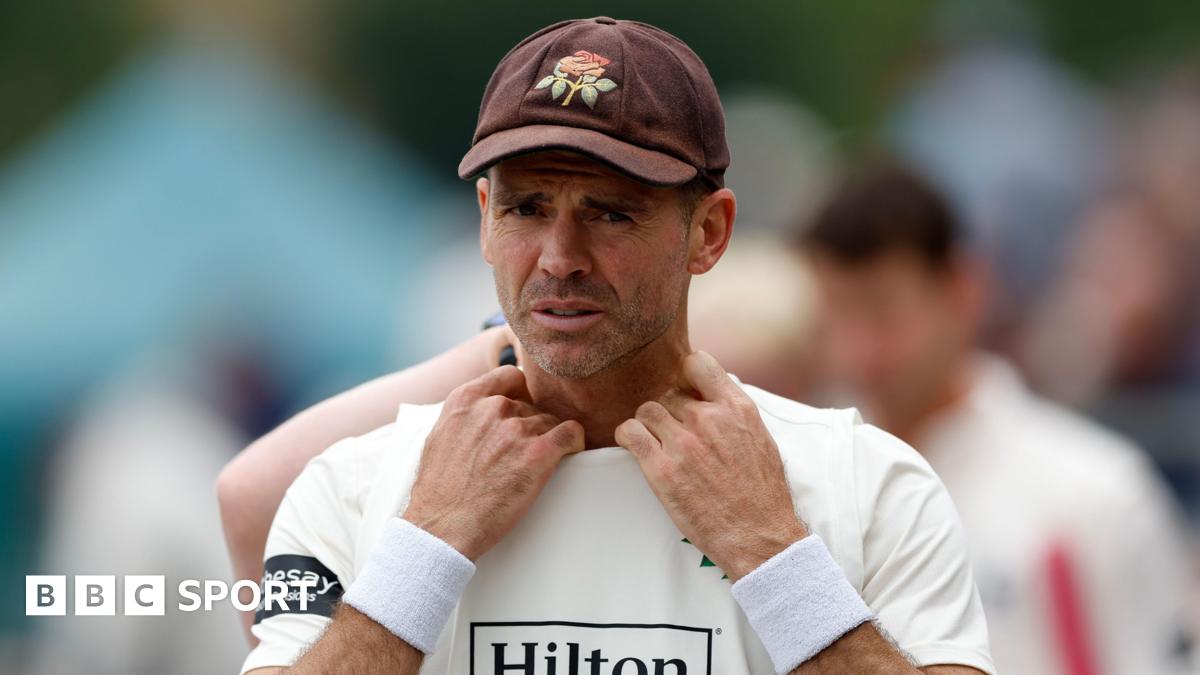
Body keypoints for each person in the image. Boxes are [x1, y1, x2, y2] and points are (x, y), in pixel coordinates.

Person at [235, 17, 994, 674]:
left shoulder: (867, 483)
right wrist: (426, 547)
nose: (560, 254)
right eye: (528, 207)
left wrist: (774, 555)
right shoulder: (360, 486)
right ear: (482, 219)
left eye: (610, 213)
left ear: (710, 232)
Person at [798, 161, 1197, 675]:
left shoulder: (1096, 492)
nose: (859, 351)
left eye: (883, 313)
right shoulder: (804, 478)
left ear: (963, 289)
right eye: (836, 312)